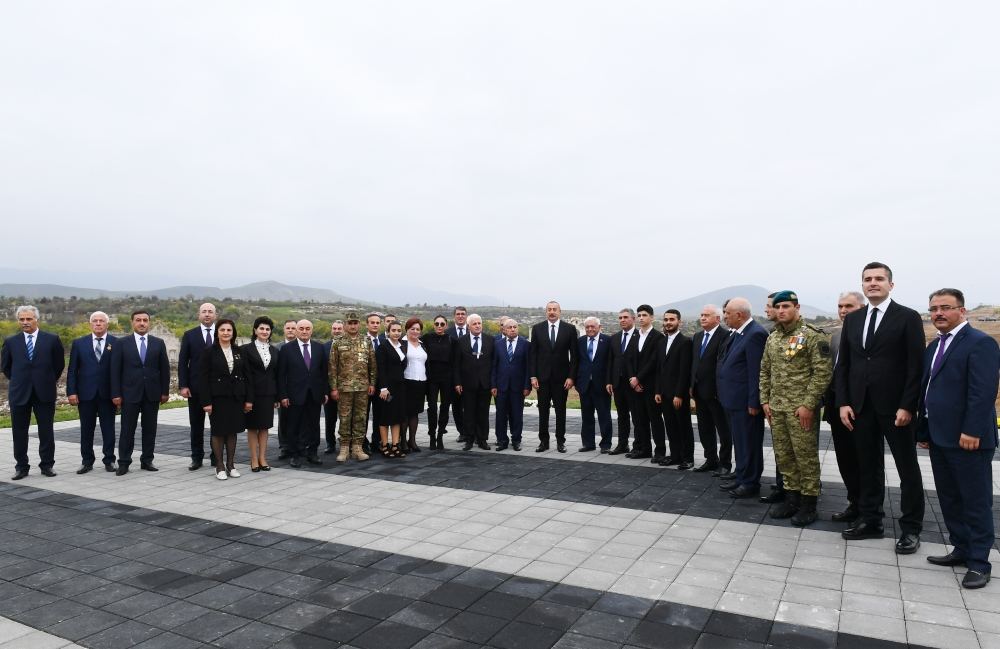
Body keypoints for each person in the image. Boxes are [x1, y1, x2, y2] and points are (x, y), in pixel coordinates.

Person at [835, 262, 925, 554]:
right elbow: (845, 365)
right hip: (860, 407)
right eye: (867, 279)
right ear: (862, 285)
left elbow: (915, 365)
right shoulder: (854, 319)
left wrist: (908, 405)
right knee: (867, 466)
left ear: (891, 284)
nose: (873, 283)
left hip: (896, 408)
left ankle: (911, 529)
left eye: (879, 279)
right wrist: (844, 402)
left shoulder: (907, 317)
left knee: (907, 469)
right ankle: (871, 520)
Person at [918, 288, 1000, 589]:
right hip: (941, 438)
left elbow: (983, 392)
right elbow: (929, 392)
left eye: (945, 308)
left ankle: (979, 563)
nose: (938, 313)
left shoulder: (981, 343)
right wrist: (924, 431)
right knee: (950, 499)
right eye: (934, 308)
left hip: (969, 439)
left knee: (975, 502)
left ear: (961, 311)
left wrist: (973, 430)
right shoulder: (934, 346)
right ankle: (961, 549)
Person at [759, 291, 833, 526]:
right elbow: (765, 371)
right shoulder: (773, 337)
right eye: (777, 306)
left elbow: (822, 374)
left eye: (786, 306)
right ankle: (792, 499)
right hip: (777, 408)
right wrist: (765, 401)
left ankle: (809, 504)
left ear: (797, 307)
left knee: (805, 456)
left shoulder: (812, 336)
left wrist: (809, 405)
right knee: (784, 456)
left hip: (800, 410)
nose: (781, 310)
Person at [2, 305, 65, 480]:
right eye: (22, 319)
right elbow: (6, 367)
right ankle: (21, 467)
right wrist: (21, 381)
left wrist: (45, 380)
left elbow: (58, 365)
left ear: (36, 319)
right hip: (19, 393)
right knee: (19, 432)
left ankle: (47, 465)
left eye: (29, 319)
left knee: (46, 431)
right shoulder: (11, 342)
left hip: (44, 392)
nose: (25, 322)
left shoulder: (51, 340)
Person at [717, 298, 768, 498]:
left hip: (746, 403)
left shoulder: (755, 334)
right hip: (733, 400)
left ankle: (750, 482)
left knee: (749, 443)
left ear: (739, 314)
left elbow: (756, 372)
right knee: (740, 442)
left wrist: (754, 402)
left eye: (727, 313)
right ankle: (741, 475)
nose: (725, 317)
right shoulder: (740, 333)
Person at [110, 310, 169, 475]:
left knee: (150, 429)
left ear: (148, 323)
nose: (142, 323)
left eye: (145, 320)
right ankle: (124, 462)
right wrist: (115, 393)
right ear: (132, 323)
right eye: (138, 320)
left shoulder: (158, 343)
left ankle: (147, 460)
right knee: (127, 429)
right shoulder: (121, 343)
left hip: (152, 393)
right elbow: (115, 371)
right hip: (129, 393)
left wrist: (164, 391)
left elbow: (164, 369)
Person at [824, 291, 865, 521]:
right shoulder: (837, 336)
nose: (843, 310)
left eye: (849, 305)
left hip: (859, 409)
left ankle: (868, 507)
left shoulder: (868, 335)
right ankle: (854, 502)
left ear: (861, 308)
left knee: (863, 461)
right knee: (845, 459)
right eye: (840, 306)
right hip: (836, 406)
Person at [198, 319, 253, 480]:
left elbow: (247, 376)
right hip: (217, 398)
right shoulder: (209, 351)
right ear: (217, 332)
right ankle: (219, 466)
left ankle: (231, 465)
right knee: (218, 431)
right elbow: (203, 378)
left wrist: (249, 399)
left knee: (232, 431)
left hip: (236, 397)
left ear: (233, 333)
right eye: (222, 330)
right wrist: (206, 402)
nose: (226, 333)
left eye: (229, 330)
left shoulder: (239, 351)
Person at [66, 310, 118, 474]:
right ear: (90, 324)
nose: (98, 323)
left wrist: (118, 393)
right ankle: (87, 461)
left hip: (108, 394)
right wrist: (71, 392)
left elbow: (119, 371)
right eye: (94, 321)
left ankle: (109, 460)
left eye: (101, 321)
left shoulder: (116, 343)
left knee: (108, 428)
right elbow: (72, 370)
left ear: (106, 324)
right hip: (85, 394)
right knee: (86, 429)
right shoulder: (79, 343)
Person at [278, 320, 330, 468]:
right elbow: (281, 375)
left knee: (314, 425)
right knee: (293, 425)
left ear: (311, 331)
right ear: (296, 331)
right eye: (301, 328)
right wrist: (283, 395)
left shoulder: (319, 348)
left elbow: (323, 373)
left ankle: (312, 453)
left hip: (315, 394)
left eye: (307, 329)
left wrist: (325, 391)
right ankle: (294, 454)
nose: (304, 331)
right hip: (294, 394)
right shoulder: (287, 349)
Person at [529, 301, 579, 453]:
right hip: (542, 379)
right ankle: (543, 442)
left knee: (560, 411)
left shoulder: (569, 329)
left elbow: (575, 357)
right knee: (543, 412)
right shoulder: (537, 329)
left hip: (561, 379)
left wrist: (571, 377)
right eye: (549, 309)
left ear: (560, 311)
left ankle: (560, 442)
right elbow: (533, 355)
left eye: (554, 309)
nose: (552, 312)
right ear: (546, 312)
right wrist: (533, 376)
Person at [690, 305, 732, 476]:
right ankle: (710, 459)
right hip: (699, 391)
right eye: (701, 315)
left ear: (718, 318)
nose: (703, 318)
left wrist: (719, 389)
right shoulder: (697, 336)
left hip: (716, 393)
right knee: (704, 427)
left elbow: (723, 365)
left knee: (723, 429)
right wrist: (691, 385)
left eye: (707, 315)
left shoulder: (725, 336)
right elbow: (695, 363)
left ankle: (725, 463)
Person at [329, 312, 376, 462]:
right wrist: (334, 388)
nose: (353, 326)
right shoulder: (337, 342)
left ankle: (357, 447)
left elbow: (372, 365)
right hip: (344, 388)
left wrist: (372, 383)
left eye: (355, 323)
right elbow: (332, 367)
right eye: (350, 323)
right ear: (345, 325)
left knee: (361, 418)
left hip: (363, 387)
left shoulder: (366, 341)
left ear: (359, 324)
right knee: (344, 418)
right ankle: (344, 448)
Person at [178, 303, 218, 471]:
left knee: (217, 425)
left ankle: (216, 457)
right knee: (196, 425)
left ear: (215, 315)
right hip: (195, 388)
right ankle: (196, 457)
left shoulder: (223, 333)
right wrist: (183, 385)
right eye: (204, 312)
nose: (207, 314)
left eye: (210, 312)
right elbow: (182, 362)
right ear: (198, 315)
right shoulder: (189, 335)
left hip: (217, 388)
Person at [654, 309, 694, 469]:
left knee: (683, 426)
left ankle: (688, 458)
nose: (668, 322)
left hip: (678, 395)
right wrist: (657, 391)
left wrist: (679, 394)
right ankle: (675, 455)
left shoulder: (685, 342)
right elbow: (658, 369)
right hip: (663, 394)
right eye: (666, 320)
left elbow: (685, 371)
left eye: (672, 319)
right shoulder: (661, 342)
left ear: (679, 322)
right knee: (670, 426)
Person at [627, 304, 665, 461]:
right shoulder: (635, 336)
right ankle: (644, 449)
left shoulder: (658, 337)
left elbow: (653, 361)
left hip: (650, 385)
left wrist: (639, 378)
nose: (641, 318)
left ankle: (660, 451)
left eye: (644, 315)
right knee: (639, 419)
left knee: (655, 420)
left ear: (652, 318)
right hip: (635, 386)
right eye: (639, 315)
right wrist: (632, 379)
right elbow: (628, 358)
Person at [243, 316, 279, 472]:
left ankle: (263, 458)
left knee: (264, 427)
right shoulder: (245, 349)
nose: (265, 331)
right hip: (251, 394)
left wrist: (277, 396)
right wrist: (247, 399)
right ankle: (253, 459)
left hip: (268, 395)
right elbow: (245, 375)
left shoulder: (275, 350)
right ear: (255, 330)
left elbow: (276, 375)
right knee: (252, 427)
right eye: (262, 328)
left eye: (267, 329)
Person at [454, 314, 493, 451]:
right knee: (469, 413)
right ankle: (469, 439)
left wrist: (493, 383)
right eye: (474, 323)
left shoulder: (490, 340)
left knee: (483, 413)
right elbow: (456, 364)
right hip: (467, 383)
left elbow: (493, 364)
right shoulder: (461, 341)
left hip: (485, 383)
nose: (477, 325)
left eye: (479, 323)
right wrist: (457, 382)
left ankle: (482, 439)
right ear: (469, 326)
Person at [492, 319, 531, 451]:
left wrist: (527, 386)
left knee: (517, 414)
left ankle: (516, 440)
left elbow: (528, 367)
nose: (512, 329)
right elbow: (494, 367)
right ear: (504, 330)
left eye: (515, 327)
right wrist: (493, 385)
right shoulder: (497, 344)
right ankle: (502, 440)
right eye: (510, 327)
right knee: (500, 415)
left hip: (518, 387)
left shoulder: (525, 344)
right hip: (501, 387)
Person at [605, 309, 639, 455]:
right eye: (620, 318)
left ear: (633, 318)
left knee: (637, 417)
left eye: (625, 317)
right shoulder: (614, 338)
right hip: (617, 384)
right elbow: (610, 361)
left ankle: (639, 446)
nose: (622, 320)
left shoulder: (640, 337)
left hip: (633, 384)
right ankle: (622, 444)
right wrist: (609, 381)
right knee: (622, 416)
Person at [577, 317, 612, 452]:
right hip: (584, 385)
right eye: (587, 327)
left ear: (599, 326)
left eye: (593, 326)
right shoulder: (579, 342)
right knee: (586, 416)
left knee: (604, 415)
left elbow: (610, 363)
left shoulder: (607, 341)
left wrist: (609, 381)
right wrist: (576, 381)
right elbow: (575, 362)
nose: (590, 329)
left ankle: (606, 444)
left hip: (602, 385)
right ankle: (588, 443)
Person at [375, 321, 408, 457]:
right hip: (387, 388)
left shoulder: (402, 346)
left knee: (397, 416)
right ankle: (384, 445)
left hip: (399, 387)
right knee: (386, 416)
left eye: (399, 330)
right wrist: (383, 388)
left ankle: (395, 445)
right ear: (388, 331)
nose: (396, 333)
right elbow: (380, 369)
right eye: (393, 330)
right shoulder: (383, 347)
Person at [422, 315, 455, 449]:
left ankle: (440, 434)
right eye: (437, 324)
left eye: (442, 324)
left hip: (447, 378)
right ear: (433, 325)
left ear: (446, 326)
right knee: (432, 408)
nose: (439, 326)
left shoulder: (452, 340)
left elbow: (456, 361)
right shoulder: (426, 338)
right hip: (431, 378)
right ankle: (432, 436)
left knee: (445, 407)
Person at [402, 317, 428, 453]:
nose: (415, 331)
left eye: (418, 329)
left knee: (415, 413)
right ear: (407, 329)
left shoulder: (422, 344)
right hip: (406, 381)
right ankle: (402, 442)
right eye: (412, 329)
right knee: (405, 413)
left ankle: (412, 440)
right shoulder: (402, 343)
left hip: (420, 382)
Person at [275, 319, 298, 460]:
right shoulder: (277, 348)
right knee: (283, 420)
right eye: (288, 327)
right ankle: (284, 447)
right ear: (284, 329)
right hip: (282, 390)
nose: (290, 330)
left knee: (299, 420)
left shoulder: (302, 346)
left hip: (298, 390)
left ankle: (298, 445)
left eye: (293, 328)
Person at [446, 306, 469, 441]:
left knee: (471, 406)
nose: (460, 316)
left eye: (463, 314)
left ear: (466, 316)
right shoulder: (448, 333)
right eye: (458, 314)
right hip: (453, 376)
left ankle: (472, 431)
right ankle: (462, 432)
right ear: (454, 316)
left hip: (470, 376)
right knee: (457, 406)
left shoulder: (472, 331)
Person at [323, 320, 344, 454]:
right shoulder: (324, 347)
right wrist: (327, 390)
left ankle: (345, 443)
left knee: (345, 420)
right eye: (334, 328)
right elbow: (322, 370)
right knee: (330, 419)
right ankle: (330, 444)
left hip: (346, 390)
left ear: (344, 330)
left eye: (339, 329)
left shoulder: (350, 346)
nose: (336, 331)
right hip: (329, 390)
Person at [365, 313, 384, 453]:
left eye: (378, 322)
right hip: (364, 385)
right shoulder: (360, 341)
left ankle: (376, 441)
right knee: (363, 415)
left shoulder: (384, 341)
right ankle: (362, 443)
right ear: (367, 324)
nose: (375, 325)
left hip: (380, 385)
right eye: (372, 322)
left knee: (379, 414)